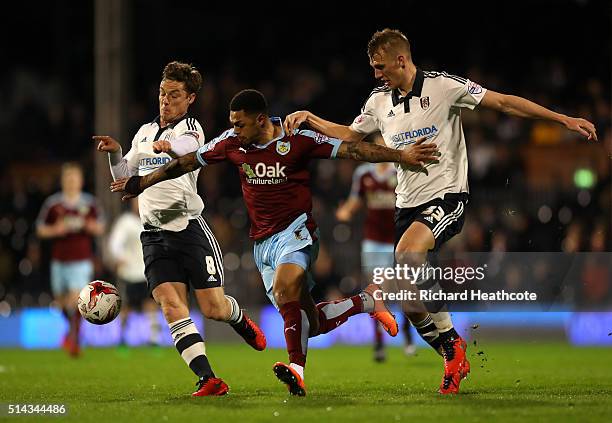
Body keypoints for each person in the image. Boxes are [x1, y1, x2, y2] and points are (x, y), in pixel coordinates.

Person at [283, 28, 597, 394]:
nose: (376, 74)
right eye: (372, 67)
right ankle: (452, 354)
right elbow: (351, 135)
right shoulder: (378, 102)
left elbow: (504, 103)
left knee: (406, 253)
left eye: (380, 66)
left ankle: (451, 343)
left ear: (401, 59)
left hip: (446, 198)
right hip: (406, 206)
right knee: (411, 302)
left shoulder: (443, 87)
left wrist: (562, 119)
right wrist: (310, 117)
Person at [109, 88, 440, 396]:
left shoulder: (298, 139)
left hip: (297, 232)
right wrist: (140, 182)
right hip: (262, 242)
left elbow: (354, 149)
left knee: (285, 290)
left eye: (240, 124)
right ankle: (368, 300)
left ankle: (297, 369)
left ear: (261, 120)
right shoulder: (231, 144)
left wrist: (400, 156)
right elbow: (185, 162)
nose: (234, 130)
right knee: (311, 323)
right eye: (231, 124)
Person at [93, 61, 266, 397]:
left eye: (174, 95)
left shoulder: (191, 129)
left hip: (189, 229)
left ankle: (240, 319)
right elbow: (124, 178)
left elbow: (192, 151)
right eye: (162, 93)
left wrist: (169, 147)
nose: (166, 100)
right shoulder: (143, 132)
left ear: (190, 99)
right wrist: (115, 155)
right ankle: (209, 379)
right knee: (172, 307)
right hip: (153, 235)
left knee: (213, 309)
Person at [336, 159, 415, 362]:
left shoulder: (398, 172)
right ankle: (379, 342)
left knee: (402, 291)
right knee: (378, 291)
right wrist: (347, 210)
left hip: (397, 240)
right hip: (373, 242)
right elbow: (356, 199)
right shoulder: (364, 173)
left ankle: (406, 334)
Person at [36, 162, 105, 357]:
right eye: (68, 178)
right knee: (60, 302)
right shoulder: (53, 204)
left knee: (75, 299)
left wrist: (90, 227)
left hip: (81, 259)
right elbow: (40, 228)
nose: (72, 181)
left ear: (81, 181)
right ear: (63, 180)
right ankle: (72, 330)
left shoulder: (89, 203)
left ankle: (74, 340)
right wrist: (54, 230)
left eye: (75, 177)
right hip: (58, 259)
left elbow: (100, 227)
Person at [108, 199, 161, 346]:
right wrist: (119, 257)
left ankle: (153, 338)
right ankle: (122, 337)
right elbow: (115, 243)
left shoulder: (154, 222)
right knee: (126, 305)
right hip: (129, 272)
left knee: (150, 303)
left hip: (147, 272)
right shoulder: (126, 222)